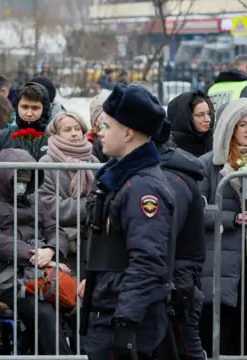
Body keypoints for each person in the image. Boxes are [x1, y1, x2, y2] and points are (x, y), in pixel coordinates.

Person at [78, 84, 175, 360]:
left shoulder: (142, 187)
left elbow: (146, 260)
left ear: (129, 131)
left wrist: (125, 323)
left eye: (107, 126)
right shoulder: (124, 179)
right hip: (116, 311)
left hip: (129, 318)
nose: (99, 132)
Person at [198, 98, 247, 355]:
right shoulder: (208, 164)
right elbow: (196, 212)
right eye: (241, 124)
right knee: (221, 332)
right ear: (228, 128)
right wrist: (233, 219)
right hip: (221, 260)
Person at [0, 148, 73, 355]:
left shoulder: (35, 200)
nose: (22, 185)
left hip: (42, 273)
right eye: (17, 179)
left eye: (27, 180)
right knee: (44, 311)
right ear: (3, 176)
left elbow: (56, 230)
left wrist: (51, 250)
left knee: (77, 304)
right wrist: (36, 254)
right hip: (4, 279)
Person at [153, 119, 207, 360]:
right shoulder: (167, 174)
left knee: (185, 348)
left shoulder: (170, 180)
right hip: (174, 277)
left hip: (177, 281)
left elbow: (162, 236)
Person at [39, 111, 99, 267]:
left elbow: (101, 198)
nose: (74, 134)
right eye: (67, 130)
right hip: (62, 240)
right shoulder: (47, 162)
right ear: (56, 133)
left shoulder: (92, 160)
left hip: (92, 239)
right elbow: (48, 205)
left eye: (77, 128)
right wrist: (89, 205)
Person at [0, 82, 51, 162]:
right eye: (24, 107)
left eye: (35, 108)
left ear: (44, 110)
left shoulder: (53, 139)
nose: (29, 113)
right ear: (17, 107)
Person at [167, 90, 215, 158]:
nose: (208, 119)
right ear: (186, 117)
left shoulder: (213, 143)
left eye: (208, 113)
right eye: (200, 115)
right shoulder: (170, 151)